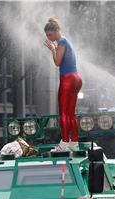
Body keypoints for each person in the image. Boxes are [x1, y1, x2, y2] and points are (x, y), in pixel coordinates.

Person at [44, 17, 82, 151]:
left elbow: (57, 62)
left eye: (50, 35)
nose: (49, 38)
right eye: (47, 36)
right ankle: (74, 142)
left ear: (56, 31)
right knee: (71, 113)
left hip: (68, 80)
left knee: (63, 113)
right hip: (76, 78)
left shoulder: (61, 43)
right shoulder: (66, 41)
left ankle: (64, 143)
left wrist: (53, 50)